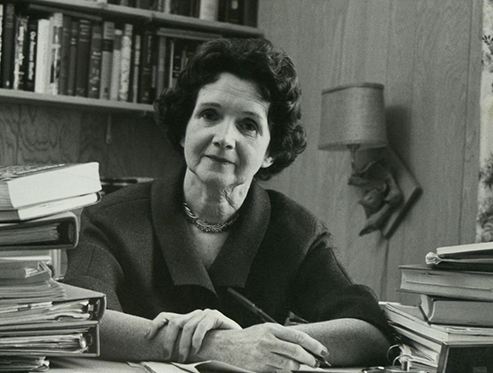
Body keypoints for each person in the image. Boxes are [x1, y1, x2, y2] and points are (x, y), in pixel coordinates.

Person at [64, 38, 394, 372]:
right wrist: (214, 345)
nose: (224, 138)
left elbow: (368, 331)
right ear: (183, 130)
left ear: (271, 152)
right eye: (209, 115)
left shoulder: (296, 230)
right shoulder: (111, 218)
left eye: (248, 125)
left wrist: (263, 343)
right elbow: (77, 317)